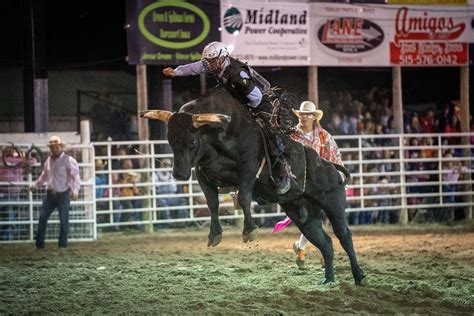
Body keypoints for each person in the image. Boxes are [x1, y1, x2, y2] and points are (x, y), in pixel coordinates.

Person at [162, 41, 290, 194]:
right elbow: (196, 67)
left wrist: (243, 109)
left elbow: (255, 97)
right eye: (207, 61)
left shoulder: (237, 74)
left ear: (222, 58)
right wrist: (177, 72)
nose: (208, 65)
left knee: (269, 130)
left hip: (260, 101)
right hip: (239, 98)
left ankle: (283, 166)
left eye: (212, 61)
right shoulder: (215, 64)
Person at [272, 101, 344, 269]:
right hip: (299, 183)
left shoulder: (324, 136)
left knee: (314, 217)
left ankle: (302, 246)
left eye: (308, 114)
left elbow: (334, 156)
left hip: (319, 182)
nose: (304, 117)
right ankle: (320, 252)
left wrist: (339, 177)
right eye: (302, 114)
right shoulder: (292, 135)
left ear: (314, 117)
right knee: (311, 216)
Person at [30, 136, 80, 251]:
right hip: (50, 194)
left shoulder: (69, 160)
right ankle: (39, 245)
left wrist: (75, 190)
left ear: (60, 147)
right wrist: (35, 185)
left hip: (63, 194)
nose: (54, 148)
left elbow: (75, 177)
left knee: (63, 220)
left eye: (56, 146)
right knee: (43, 218)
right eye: (52, 147)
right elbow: (44, 176)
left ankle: (62, 245)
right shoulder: (49, 161)